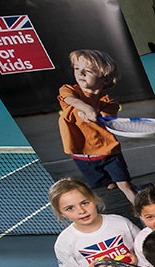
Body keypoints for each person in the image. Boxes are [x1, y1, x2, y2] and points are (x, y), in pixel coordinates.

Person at [57, 49, 137, 203]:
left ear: (105, 79)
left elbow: (108, 120)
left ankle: (140, 211)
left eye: (87, 70)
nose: (80, 73)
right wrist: (86, 109)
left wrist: (95, 117)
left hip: (109, 153)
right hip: (82, 155)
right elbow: (71, 100)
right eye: (76, 69)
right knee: (99, 188)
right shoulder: (69, 90)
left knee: (125, 185)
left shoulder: (109, 103)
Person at [50, 178, 140, 267]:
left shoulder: (120, 222)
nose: (81, 211)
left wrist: (137, 259)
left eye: (84, 203)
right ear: (61, 213)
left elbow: (143, 246)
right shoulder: (64, 242)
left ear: (93, 198)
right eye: (70, 208)